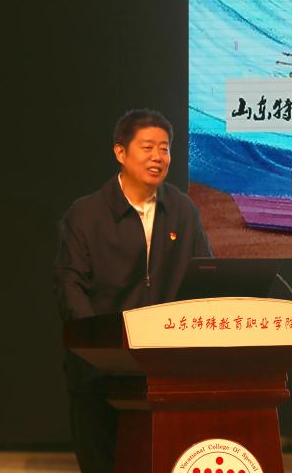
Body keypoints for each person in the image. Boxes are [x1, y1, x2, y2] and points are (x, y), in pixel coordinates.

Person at [54, 108, 212, 473]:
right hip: (100, 373)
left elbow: (205, 278)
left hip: (166, 373)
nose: (158, 157)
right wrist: (102, 348)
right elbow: (70, 288)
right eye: (147, 147)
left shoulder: (183, 211)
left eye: (165, 148)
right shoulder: (86, 214)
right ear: (120, 152)